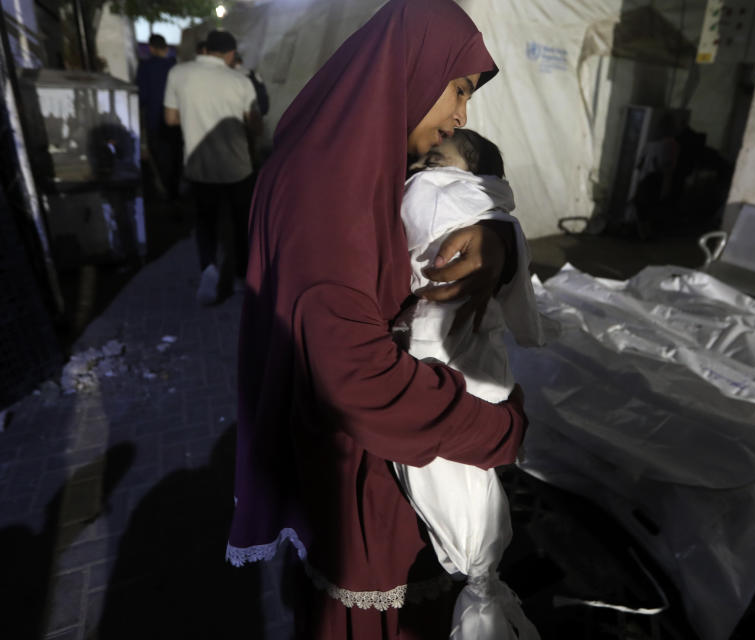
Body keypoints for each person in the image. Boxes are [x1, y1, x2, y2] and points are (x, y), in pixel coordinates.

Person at [224, 1, 528, 638]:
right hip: (365, 483)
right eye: (459, 89)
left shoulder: (342, 164)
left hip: (353, 467)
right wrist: (497, 431)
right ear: (413, 67)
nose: (460, 116)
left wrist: (493, 237)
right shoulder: (326, 187)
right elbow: (357, 380)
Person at [393, 129, 543, 639]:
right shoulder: (493, 220)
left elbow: (414, 216)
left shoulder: (446, 194)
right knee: (461, 479)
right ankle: (477, 568)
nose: (422, 170)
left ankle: (476, 566)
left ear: (473, 178)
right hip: (456, 378)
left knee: (452, 471)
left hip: (450, 362)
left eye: (436, 161)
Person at [164, 30, 260, 305]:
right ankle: (242, 278)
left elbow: (170, 119)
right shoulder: (240, 80)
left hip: (199, 165)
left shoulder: (178, 74)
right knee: (242, 224)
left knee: (206, 224)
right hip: (236, 166)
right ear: (230, 53)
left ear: (206, 49)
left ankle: (208, 270)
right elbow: (255, 125)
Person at [136, 34, 180, 199]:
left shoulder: (145, 67)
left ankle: (166, 190)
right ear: (166, 47)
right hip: (176, 120)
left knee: (161, 157)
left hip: (155, 119)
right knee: (175, 155)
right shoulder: (174, 66)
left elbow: (142, 96)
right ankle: (175, 190)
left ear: (151, 48)